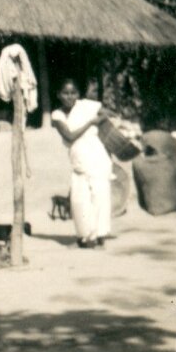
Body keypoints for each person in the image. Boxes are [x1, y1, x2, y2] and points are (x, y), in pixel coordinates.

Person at [50, 79, 113, 248]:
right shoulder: (57, 115)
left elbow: (105, 113)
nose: (70, 97)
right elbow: (69, 136)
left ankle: (100, 236)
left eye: (73, 93)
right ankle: (85, 236)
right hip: (78, 158)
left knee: (100, 196)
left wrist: (98, 120)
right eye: (65, 93)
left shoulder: (86, 107)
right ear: (58, 95)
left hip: (97, 155)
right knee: (80, 199)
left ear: (78, 94)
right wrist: (91, 123)